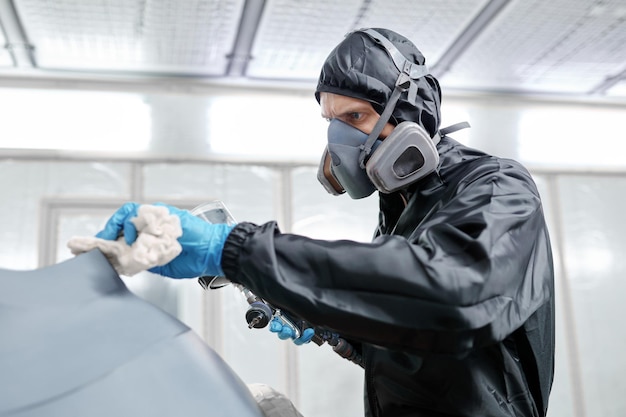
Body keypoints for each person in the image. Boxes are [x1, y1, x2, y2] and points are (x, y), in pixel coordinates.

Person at [96, 28, 555, 417]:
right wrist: (344, 331)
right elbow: (419, 339)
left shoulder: (496, 187)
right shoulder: (400, 212)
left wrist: (235, 248)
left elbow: (450, 295)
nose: (342, 141)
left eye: (355, 117)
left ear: (413, 114)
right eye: (331, 121)